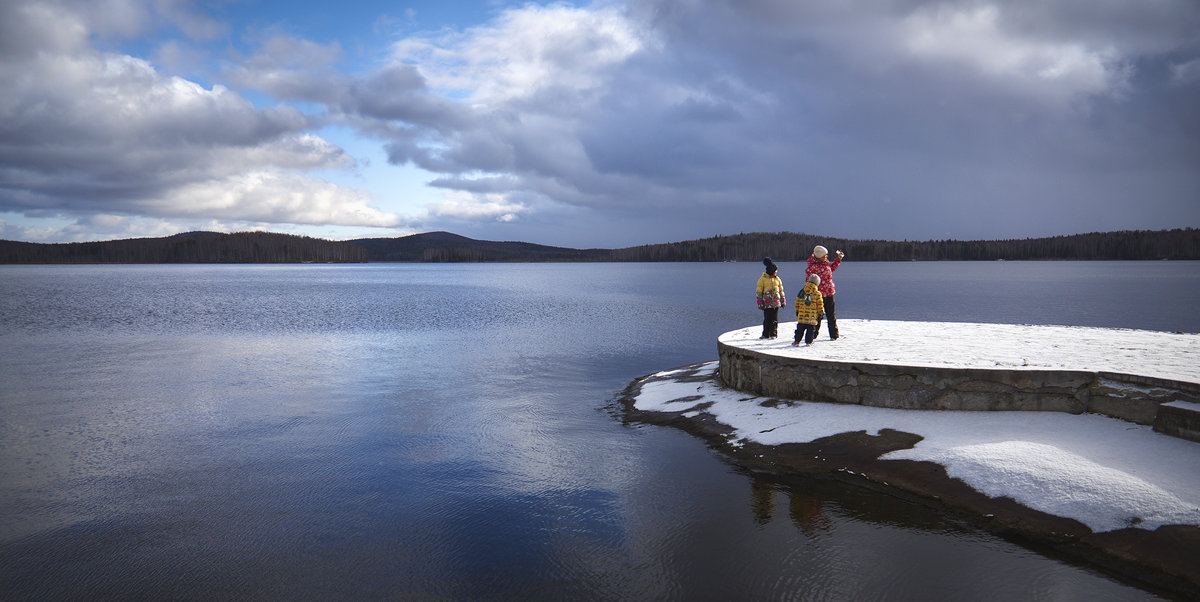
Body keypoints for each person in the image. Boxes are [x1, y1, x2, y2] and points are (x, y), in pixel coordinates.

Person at [805, 245, 844, 340]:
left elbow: (832, 268)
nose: (826, 257)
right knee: (818, 316)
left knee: (831, 315)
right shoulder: (812, 267)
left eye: (826, 255)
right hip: (818, 295)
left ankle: (834, 335)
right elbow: (809, 281)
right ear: (819, 256)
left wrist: (838, 259)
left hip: (829, 293)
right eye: (824, 255)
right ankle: (813, 336)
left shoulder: (825, 263)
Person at [755, 257, 785, 339]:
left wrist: (782, 301)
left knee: (774, 320)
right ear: (771, 271)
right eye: (775, 271)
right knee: (767, 319)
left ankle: (773, 334)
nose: (776, 272)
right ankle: (765, 334)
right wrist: (760, 303)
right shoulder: (762, 279)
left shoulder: (777, 279)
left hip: (776, 303)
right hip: (767, 303)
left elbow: (781, 290)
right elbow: (759, 292)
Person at [792, 274, 824, 346]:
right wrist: (821, 313)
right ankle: (809, 342)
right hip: (812, 317)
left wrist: (797, 310)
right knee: (811, 330)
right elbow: (820, 305)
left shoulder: (802, 292)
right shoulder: (817, 294)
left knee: (800, 330)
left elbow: (797, 302)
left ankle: (797, 341)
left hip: (802, 316)